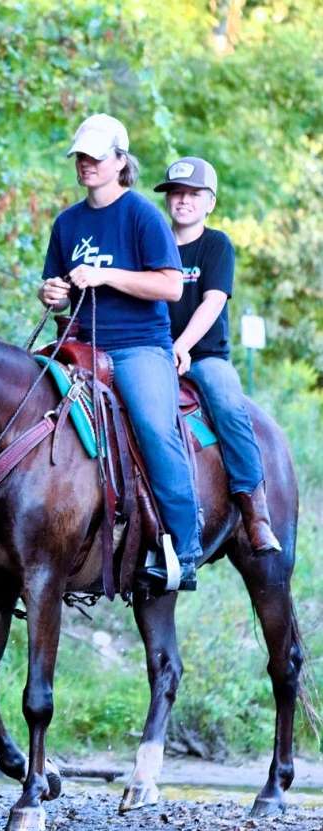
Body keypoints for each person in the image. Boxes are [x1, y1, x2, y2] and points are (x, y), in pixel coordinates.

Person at [39, 114, 202, 589]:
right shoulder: (67, 222)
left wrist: (106, 275)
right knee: (20, 407)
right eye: (81, 157)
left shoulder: (142, 215)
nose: (86, 164)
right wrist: (52, 293)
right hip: (76, 344)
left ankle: (184, 549)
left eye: (96, 156)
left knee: (154, 425)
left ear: (119, 161)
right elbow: (60, 288)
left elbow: (171, 286)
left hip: (137, 345)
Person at [154, 156, 281, 554]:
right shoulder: (153, 242)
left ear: (210, 201)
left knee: (228, 404)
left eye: (193, 194)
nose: (183, 201)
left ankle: (253, 507)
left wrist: (184, 346)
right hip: (151, 352)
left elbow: (212, 303)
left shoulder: (216, 245)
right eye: (176, 193)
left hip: (204, 355)